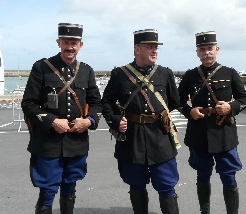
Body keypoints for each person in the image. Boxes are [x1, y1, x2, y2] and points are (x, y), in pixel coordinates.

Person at [21, 23, 102, 214]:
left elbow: (97, 103)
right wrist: (52, 121)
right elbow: (29, 104)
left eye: (74, 43)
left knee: (70, 187)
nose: (70, 47)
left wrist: (89, 121)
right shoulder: (42, 67)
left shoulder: (86, 71)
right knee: (47, 191)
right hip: (48, 142)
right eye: (66, 42)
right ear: (58, 42)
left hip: (76, 141)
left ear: (81, 45)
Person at [101, 29, 180, 214]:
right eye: (149, 47)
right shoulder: (120, 74)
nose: (154, 51)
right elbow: (106, 102)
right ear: (137, 49)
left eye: (156, 47)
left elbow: (175, 102)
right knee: (136, 186)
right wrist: (115, 120)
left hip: (160, 137)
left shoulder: (165, 74)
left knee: (167, 186)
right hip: (132, 139)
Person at [178, 31, 246, 214]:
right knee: (202, 176)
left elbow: (244, 98)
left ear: (217, 49)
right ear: (197, 52)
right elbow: (177, 100)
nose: (206, 52)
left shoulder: (230, 73)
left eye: (210, 48)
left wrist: (231, 107)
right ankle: (205, 211)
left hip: (224, 132)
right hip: (199, 133)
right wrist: (189, 111)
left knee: (229, 177)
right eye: (202, 49)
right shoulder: (190, 75)